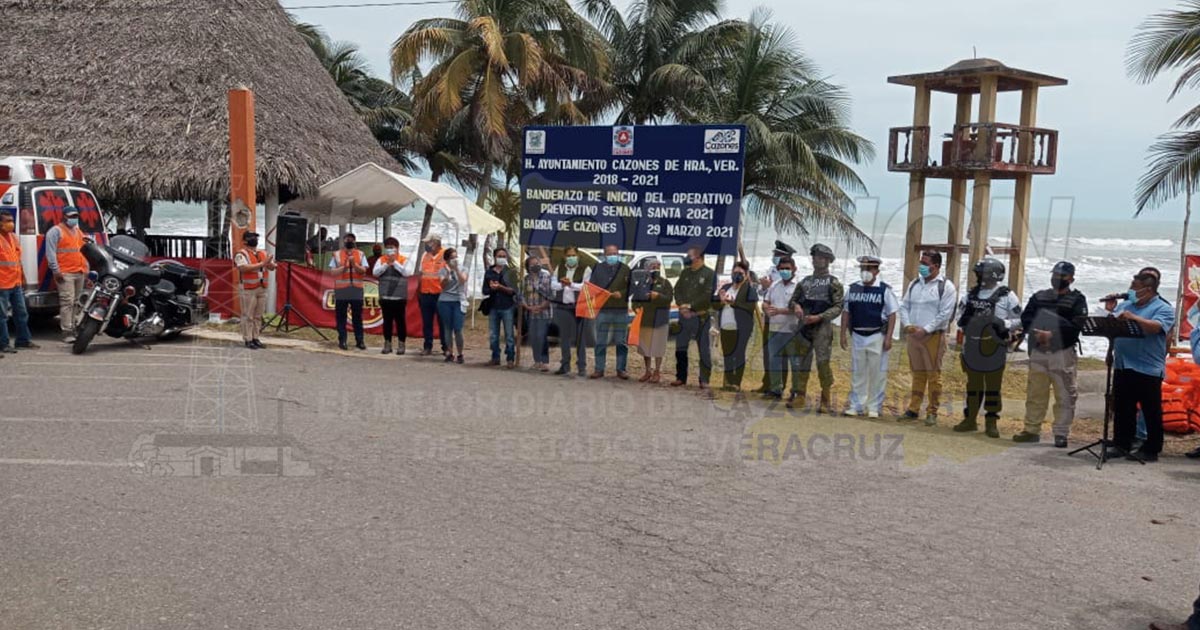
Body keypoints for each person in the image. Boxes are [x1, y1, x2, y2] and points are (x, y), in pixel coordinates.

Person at [1012, 261, 1088, 446]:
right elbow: (1026, 317)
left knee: (1065, 395)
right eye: (1055, 274)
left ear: (1071, 279)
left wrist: (1052, 334)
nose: (1057, 278)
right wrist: (1039, 333)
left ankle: (1061, 433)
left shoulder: (1077, 300)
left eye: (1062, 276)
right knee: (1035, 393)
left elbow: (1077, 325)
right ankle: (1031, 430)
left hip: (1062, 353)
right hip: (1039, 350)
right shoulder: (1039, 297)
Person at [1104, 269, 1174, 462]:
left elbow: (1157, 327)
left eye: (1135, 287)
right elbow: (1113, 327)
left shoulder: (1163, 308)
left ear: (1148, 289)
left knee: (1150, 410)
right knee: (1123, 407)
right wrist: (1111, 312)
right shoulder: (1127, 304)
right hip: (1123, 364)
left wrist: (1134, 318)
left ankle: (1151, 448)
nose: (1131, 290)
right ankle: (1121, 443)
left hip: (1147, 367)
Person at [952, 258, 1022, 439]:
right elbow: (959, 317)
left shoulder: (1007, 296)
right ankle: (970, 419)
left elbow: (1020, 320)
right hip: (973, 345)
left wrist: (1002, 323)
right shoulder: (970, 295)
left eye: (981, 273)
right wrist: (967, 321)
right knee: (973, 386)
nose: (978, 277)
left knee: (993, 386)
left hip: (993, 346)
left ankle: (991, 422)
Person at [899, 250, 958, 426]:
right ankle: (913, 409)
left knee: (933, 376)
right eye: (921, 263)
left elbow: (945, 314)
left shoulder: (946, 287)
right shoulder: (915, 284)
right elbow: (904, 306)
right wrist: (908, 325)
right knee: (917, 374)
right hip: (913, 336)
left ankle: (932, 411)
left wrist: (925, 330)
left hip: (933, 336)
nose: (922, 266)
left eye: (925, 263)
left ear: (936, 266)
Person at [787, 243, 844, 412]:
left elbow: (838, 306)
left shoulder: (833, 283)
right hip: (804, 327)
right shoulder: (805, 282)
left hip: (822, 328)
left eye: (819, 257)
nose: (815, 260)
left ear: (827, 261)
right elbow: (793, 300)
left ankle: (825, 399)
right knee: (802, 362)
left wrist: (820, 317)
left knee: (822, 363)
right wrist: (796, 307)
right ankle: (800, 395)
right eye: (814, 257)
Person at [841, 256, 898, 418]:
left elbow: (892, 314)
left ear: (877, 271)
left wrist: (888, 337)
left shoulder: (884, 290)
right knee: (858, 372)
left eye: (869, 269)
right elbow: (846, 312)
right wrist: (843, 334)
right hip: (858, 334)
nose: (865, 272)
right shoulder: (852, 289)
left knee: (877, 374)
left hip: (877, 335)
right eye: (863, 268)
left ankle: (874, 407)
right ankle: (856, 405)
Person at [756, 240, 798, 392]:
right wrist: (764, 288)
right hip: (772, 320)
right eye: (775, 254)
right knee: (771, 354)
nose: (775, 257)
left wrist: (780, 310)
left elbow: (798, 306)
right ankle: (770, 385)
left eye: (778, 255)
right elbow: (762, 293)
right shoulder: (772, 271)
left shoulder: (796, 283)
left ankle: (784, 386)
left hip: (790, 326)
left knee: (787, 358)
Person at [672, 245, 716, 389]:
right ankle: (681, 377)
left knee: (703, 350)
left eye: (690, 256)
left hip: (701, 317)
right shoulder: (685, 273)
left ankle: (704, 379)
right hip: (684, 316)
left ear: (698, 258)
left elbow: (707, 296)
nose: (687, 258)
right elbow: (677, 289)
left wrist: (690, 306)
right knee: (680, 348)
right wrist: (681, 305)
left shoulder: (709, 274)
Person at [44, 206, 89, 343]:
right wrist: (56, 270)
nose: (73, 219)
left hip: (79, 271)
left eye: (75, 216)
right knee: (67, 301)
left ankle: (75, 326)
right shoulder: (55, 231)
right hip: (65, 272)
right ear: (63, 217)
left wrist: (86, 268)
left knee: (77, 302)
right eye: (71, 216)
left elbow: (83, 250)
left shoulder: (78, 231)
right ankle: (67, 330)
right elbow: (50, 253)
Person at [590, 244, 632, 380]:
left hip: (620, 311)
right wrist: (601, 293)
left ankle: (621, 369)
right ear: (604, 255)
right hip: (603, 311)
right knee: (601, 341)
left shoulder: (625, 269)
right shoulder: (598, 268)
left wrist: (622, 293)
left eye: (615, 253)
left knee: (621, 342)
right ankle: (599, 369)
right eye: (609, 253)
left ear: (618, 254)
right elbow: (592, 287)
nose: (612, 256)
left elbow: (631, 288)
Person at [551, 246, 594, 376]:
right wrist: (563, 284)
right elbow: (553, 284)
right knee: (564, 338)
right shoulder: (560, 268)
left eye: (573, 255)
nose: (571, 258)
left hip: (578, 307)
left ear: (578, 256)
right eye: (568, 255)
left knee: (580, 338)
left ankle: (581, 367)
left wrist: (571, 285)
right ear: (565, 257)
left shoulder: (585, 269)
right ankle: (565, 365)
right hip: (563, 307)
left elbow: (586, 287)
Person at [763, 256, 802, 401]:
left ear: (794, 269)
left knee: (795, 362)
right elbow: (765, 302)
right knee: (774, 360)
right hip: (774, 329)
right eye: (782, 269)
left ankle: (796, 391)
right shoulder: (774, 286)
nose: (785, 271)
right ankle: (776, 390)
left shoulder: (799, 286)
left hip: (792, 330)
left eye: (787, 268)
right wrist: (767, 309)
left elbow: (800, 309)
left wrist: (780, 311)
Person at [717, 260, 758, 392]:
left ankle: (736, 382)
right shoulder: (726, 287)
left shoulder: (749, 289)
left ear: (746, 275)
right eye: (735, 272)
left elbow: (750, 307)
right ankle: (728, 381)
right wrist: (720, 301)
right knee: (727, 354)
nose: (737, 275)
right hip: (725, 326)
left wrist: (734, 303)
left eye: (740, 273)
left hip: (741, 328)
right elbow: (714, 305)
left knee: (738, 354)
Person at [633, 259, 674, 383]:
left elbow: (669, 299)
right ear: (647, 269)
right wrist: (635, 307)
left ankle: (657, 371)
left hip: (660, 320)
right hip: (645, 320)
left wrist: (658, 296)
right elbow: (635, 300)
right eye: (652, 266)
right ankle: (647, 371)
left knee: (658, 347)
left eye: (658, 266)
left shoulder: (665, 283)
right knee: (646, 347)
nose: (656, 268)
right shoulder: (642, 283)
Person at [0, 211, 35, 354]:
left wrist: (23, 277)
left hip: (15, 282)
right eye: (7, 221)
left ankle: (23, 340)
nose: (11, 224)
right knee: (1, 316)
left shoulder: (13, 237)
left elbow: (17, 259)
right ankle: (3, 343)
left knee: (21, 313)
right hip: (2, 283)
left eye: (12, 220)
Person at [234, 231, 275, 350]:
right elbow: (243, 268)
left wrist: (271, 265)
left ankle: (256, 337)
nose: (255, 240)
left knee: (258, 315)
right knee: (248, 315)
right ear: (245, 241)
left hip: (262, 287)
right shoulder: (241, 254)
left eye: (256, 237)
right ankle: (248, 339)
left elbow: (271, 267)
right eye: (252, 238)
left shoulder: (263, 252)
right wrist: (262, 263)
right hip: (248, 288)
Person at [328, 232, 368, 351]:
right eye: (347, 239)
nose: (349, 241)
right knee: (341, 317)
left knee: (357, 317)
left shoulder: (360, 254)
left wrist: (354, 264)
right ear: (343, 241)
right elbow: (332, 272)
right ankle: (342, 340)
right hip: (342, 289)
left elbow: (363, 271)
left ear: (354, 241)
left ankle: (360, 341)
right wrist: (344, 267)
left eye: (351, 239)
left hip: (356, 289)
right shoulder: (336, 254)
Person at [372, 236, 412, 355]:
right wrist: (386, 264)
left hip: (399, 296)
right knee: (387, 321)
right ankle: (387, 344)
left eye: (392, 248)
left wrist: (394, 263)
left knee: (400, 321)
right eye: (387, 248)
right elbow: (375, 273)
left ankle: (401, 344)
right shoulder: (381, 259)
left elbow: (407, 272)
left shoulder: (403, 259)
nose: (389, 250)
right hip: (385, 296)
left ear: (397, 248)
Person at [483, 247, 518, 368]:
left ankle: (510, 358)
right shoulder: (489, 272)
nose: (502, 258)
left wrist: (500, 287)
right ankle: (495, 357)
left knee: (509, 335)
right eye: (499, 256)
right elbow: (484, 290)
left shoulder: (510, 272)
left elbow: (514, 291)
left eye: (504, 256)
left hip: (507, 306)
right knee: (493, 335)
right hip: (493, 306)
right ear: (495, 257)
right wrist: (491, 288)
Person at [518, 255, 552, 372]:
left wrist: (541, 307)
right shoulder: (525, 279)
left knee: (541, 336)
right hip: (531, 313)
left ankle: (545, 362)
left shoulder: (546, 276)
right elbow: (521, 295)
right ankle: (537, 361)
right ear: (528, 267)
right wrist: (527, 307)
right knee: (533, 337)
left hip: (544, 313)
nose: (535, 265)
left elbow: (551, 295)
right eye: (532, 264)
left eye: (537, 263)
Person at [417, 234, 447, 357]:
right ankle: (427, 346)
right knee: (427, 322)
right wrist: (419, 291)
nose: (427, 245)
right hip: (426, 293)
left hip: (440, 294)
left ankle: (446, 346)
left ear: (436, 243)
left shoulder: (446, 255)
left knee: (443, 323)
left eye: (429, 242)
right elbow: (421, 274)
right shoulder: (425, 256)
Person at [437, 247, 467, 364]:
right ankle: (450, 352)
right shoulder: (443, 270)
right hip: (445, 301)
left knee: (458, 329)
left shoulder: (463, 268)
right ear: (447, 260)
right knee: (447, 328)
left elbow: (463, 280)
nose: (454, 259)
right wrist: (448, 273)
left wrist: (456, 270)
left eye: (456, 257)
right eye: (451, 258)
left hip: (459, 301)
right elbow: (442, 286)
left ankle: (460, 353)